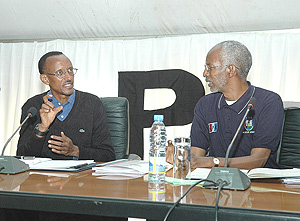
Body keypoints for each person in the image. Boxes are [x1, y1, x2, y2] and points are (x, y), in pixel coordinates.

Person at [167, 40, 284, 170]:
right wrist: (181, 157)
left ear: (230, 70)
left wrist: (212, 162)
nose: (205, 74)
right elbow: (196, 155)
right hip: (216, 183)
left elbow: (258, 160)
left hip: (260, 185)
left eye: (210, 67)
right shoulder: (205, 104)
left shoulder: (268, 101)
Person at [17, 51, 115, 162]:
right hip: (43, 177)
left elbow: (108, 155)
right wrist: (42, 128)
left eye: (70, 71)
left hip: (81, 178)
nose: (68, 77)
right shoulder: (32, 107)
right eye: (60, 73)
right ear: (45, 79)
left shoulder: (92, 104)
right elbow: (21, 156)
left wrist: (75, 151)